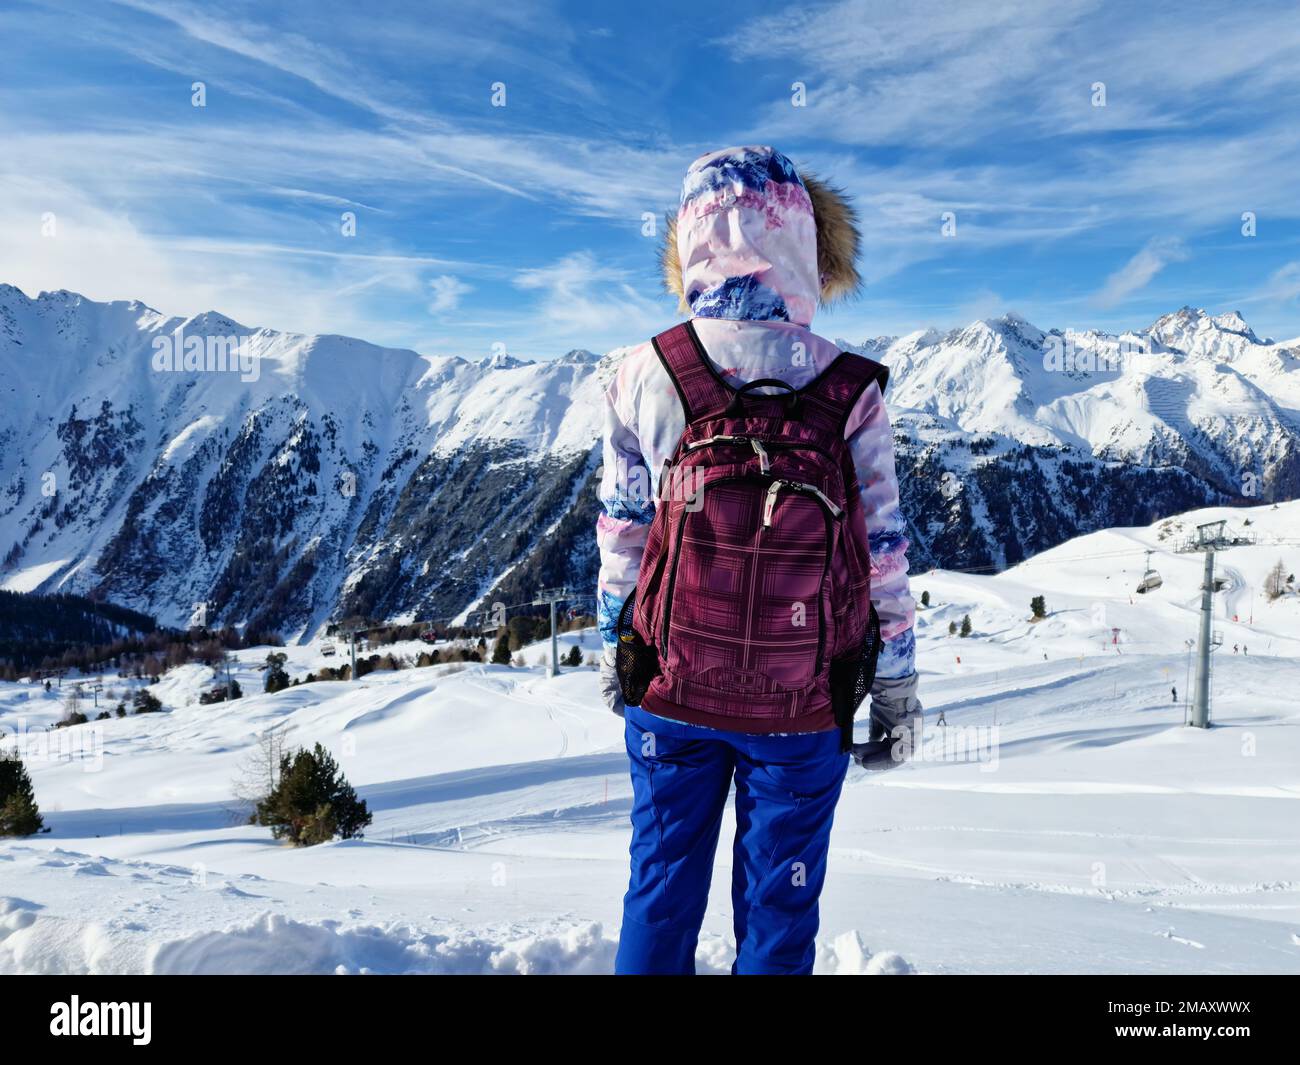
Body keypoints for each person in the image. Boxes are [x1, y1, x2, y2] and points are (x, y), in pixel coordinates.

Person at [596, 146, 918, 975]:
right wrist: (897, 686)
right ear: (807, 245)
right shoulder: (852, 387)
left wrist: (614, 648)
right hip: (803, 702)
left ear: (690, 239)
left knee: (660, 888)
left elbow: (624, 529)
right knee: (781, 905)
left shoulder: (646, 371)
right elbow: (883, 552)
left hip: (671, 683)